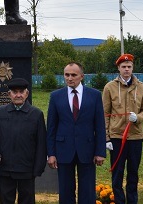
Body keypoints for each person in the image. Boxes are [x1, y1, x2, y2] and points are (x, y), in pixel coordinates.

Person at [47, 62, 106, 204]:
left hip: (87, 149)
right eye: (66, 75)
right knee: (66, 190)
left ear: (82, 76)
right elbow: (51, 127)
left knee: (87, 190)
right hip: (63, 149)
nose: (70, 78)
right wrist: (51, 153)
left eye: (73, 75)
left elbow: (99, 126)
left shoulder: (95, 95)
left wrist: (100, 152)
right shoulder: (56, 96)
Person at [0, 78, 47, 204]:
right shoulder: (0, 112)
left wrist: (38, 168)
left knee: (27, 200)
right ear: (9, 94)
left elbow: (41, 143)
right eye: (14, 92)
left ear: (27, 94)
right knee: (5, 200)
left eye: (21, 92)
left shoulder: (36, 114)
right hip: (5, 167)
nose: (18, 95)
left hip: (27, 168)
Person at [102, 53, 143, 204]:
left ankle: (132, 201)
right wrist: (106, 137)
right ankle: (119, 201)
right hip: (117, 137)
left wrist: (138, 117)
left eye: (129, 67)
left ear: (132, 68)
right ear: (118, 68)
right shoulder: (110, 87)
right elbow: (105, 113)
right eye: (123, 67)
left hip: (135, 136)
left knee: (133, 174)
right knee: (117, 174)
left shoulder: (141, 87)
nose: (127, 70)